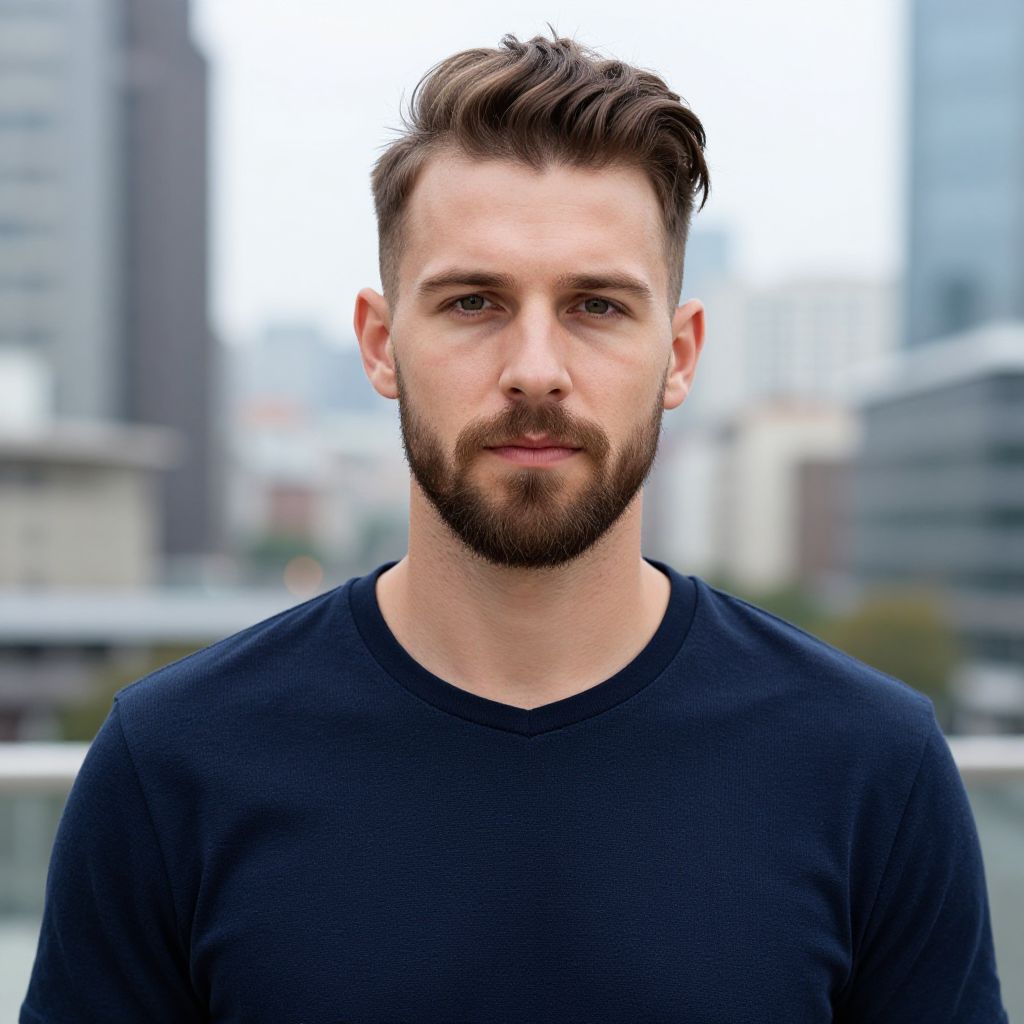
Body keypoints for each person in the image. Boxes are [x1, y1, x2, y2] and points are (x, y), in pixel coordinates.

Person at [22, 32, 1008, 1024]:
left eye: (595, 305)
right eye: (473, 301)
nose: (535, 367)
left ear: (679, 352)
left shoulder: (869, 764)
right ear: (379, 343)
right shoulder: (174, 762)